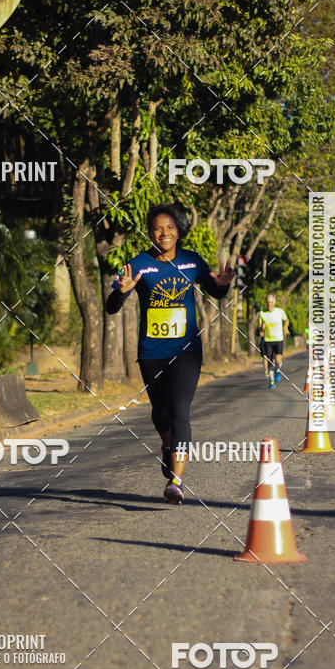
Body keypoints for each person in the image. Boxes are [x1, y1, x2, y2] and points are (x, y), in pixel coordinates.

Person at [106, 204, 233, 504]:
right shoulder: (138, 264)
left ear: (178, 231)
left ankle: (176, 481)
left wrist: (222, 286)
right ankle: (167, 448)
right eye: (158, 227)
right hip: (152, 352)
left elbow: (214, 291)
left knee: (179, 411)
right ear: (150, 233)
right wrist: (121, 291)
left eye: (170, 226)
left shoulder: (191, 262)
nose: (165, 232)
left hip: (187, 350)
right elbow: (112, 307)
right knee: (161, 413)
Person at [258, 294, 289, 388]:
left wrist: (285, 327)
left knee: (278, 361)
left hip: (278, 339)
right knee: (270, 362)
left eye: (271, 302)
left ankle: (278, 371)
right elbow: (259, 327)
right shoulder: (262, 313)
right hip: (268, 341)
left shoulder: (280, 311)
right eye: (267, 302)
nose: (269, 304)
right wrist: (261, 328)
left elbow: (286, 319)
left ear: (274, 302)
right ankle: (271, 381)